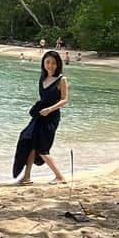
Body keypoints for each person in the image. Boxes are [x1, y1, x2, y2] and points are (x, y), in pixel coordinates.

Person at [12, 50, 70, 185]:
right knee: (30, 144)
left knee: (42, 148)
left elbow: (64, 100)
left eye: (53, 63)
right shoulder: (42, 78)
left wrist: (50, 109)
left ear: (58, 64)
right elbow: (43, 97)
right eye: (48, 62)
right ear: (44, 63)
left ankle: (60, 177)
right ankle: (26, 177)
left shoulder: (62, 79)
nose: (50, 65)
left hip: (51, 117)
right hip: (40, 116)